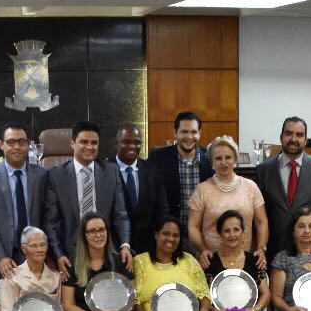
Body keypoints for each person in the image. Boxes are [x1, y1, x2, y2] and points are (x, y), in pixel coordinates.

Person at [44, 121, 133, 279]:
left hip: (106, 255)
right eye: (83, 142)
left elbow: (121, 214)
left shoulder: (111, 171)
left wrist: (125, 245)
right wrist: (58, 255)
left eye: (94, 143)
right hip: (70, 256)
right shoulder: (56, 176)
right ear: (72, 144)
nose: (89, 147)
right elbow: (51, 222)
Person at [257, 117, 311, 262]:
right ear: (281, 137)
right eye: (288, 133)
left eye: (299, 135)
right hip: (274, 249)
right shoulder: (264, 169)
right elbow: (260, 213)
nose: (293, 139)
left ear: (306, 140)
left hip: (309, 248)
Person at [0, 123, 48, 280]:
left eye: (22, 142)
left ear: (29, 144)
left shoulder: (41, 175)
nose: (17, 147)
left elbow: (48, 216)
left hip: (36, 255)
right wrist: (0, 257)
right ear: (1, 145)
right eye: (11, 142)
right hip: (3, 257)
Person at [187, 136, 269, 270]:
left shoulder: (251, 187)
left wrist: (261, 248)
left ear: (235, 159)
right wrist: (203, 250)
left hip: (245, 260)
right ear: (212, 162)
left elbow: (261, 222)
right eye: (218, 158)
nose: (223, 162)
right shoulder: (202, 190)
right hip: (211, 261)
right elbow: (193, 226)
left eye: (228, 157)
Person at [114, 124, 170, 256]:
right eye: (126, 142)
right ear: (116, 143)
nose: (132, 146)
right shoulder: (105, 170)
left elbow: (162, 209)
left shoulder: (153, 170)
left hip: (148, 247)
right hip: (116, 247)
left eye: (137, 143)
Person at [148, 111, 213, 224]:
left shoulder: (210, 158)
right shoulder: (158, 157)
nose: (189, 136)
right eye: (184, 132)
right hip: (170, 232)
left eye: (194, 132)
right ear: (175, 133)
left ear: (199, 133)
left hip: (203, 231)